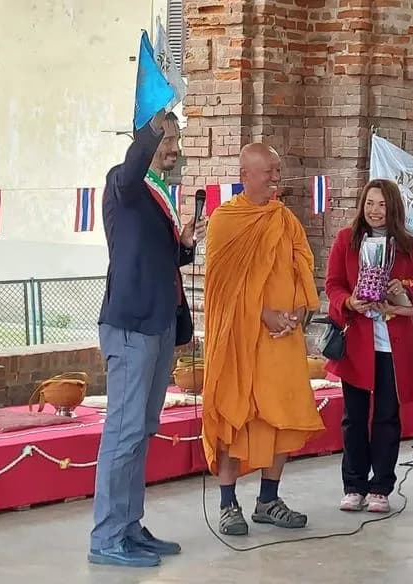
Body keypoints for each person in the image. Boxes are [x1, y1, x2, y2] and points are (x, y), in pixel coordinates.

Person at [90, 111, 206, 568]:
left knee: (141, 431)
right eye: (166, 139)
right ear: (146, 139)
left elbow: (156, 257)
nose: (173, 148)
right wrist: (153, 120)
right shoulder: (125, 180)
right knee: (122, 433)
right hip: (130, 325)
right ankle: (105, 537)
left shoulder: (159, 193)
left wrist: (185, 244)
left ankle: (129, 526)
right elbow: (136, 160)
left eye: (176, 138)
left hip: (158, 325)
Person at [202, 143, 325, 536]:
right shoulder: (225, 220)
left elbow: (303, 267)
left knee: (284, 413)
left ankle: (268, 500)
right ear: (246, 174)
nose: (276, 177)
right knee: (236, 413)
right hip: (241, 338)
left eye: (277, 169)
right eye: (268, 170)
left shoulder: (284, 219)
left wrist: (298, 313)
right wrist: (262, 313)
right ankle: (227, 504)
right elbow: (221, 288)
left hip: (283, 339)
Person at [325, 179, 413, 514]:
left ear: (394, 208)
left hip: (393, 341)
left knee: (388, 416)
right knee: (353, 418)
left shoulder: (409, 246)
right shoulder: (347, 239)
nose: (375, 211)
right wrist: (349, 302)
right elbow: (332, 285)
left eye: (382, 205)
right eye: (370, 203)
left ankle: (381, 487)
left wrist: (400, 291)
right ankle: (353, 484)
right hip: (358, 340)